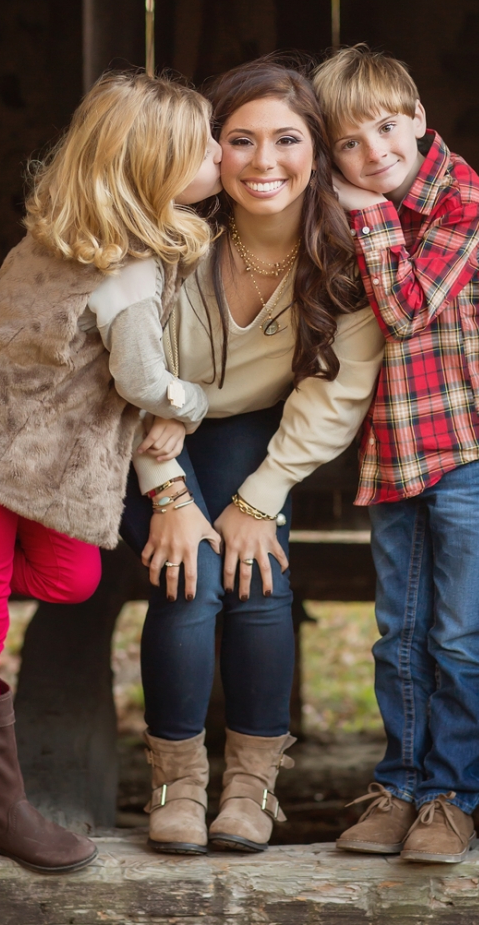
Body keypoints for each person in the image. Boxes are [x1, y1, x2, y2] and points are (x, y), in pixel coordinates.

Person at [0, 71, 223, 872]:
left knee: (74, 580)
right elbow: (141, 382)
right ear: (154, 169)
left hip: (37, 454)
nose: (223, 157)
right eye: (205, 147)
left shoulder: (68, 234)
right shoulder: (123, 267)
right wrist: (191, 400)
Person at [118, 60, 385, 856]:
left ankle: (249, 791)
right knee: (187, 577)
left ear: (316, 151)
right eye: (240, 141)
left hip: (250, 429)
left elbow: (335, 396)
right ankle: (175, 786)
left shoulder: (345, 257)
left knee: (257, 572)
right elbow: (111, 368)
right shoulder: (166, 239)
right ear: (211, 150)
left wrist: (258, 499)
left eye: (286, 140)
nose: (263, 162)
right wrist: (167, 494)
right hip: (139, 430)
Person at [312, 45, 479, 864]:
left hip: (470, 448)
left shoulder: (461, 200)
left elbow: (404, 311)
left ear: (418, 120)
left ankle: (449, 799)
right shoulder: (361, 205)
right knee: (397, 634)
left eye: (387, 129)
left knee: (461, 635)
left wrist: (360, 210)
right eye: (350, 145)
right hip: (394, 453)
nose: (374, 154)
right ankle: (397, 788)